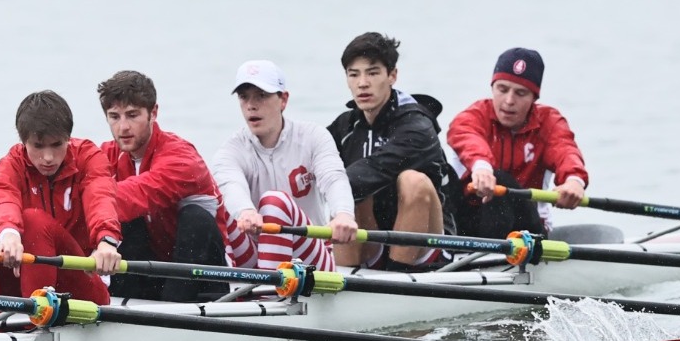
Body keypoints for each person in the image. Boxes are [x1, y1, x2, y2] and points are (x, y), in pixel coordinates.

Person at [0, 91, 122, 305]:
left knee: (35, 221)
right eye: (38, 146)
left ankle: (35, 323)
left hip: (80, 280)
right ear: (23, 142)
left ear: (68, 139)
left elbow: (100, 196)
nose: (48, 157)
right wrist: (9, 234)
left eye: (56, 145)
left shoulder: (88, 157)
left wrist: (106, 241)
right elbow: (1, 194)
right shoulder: (11, 164)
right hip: (23, 281)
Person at [212, 60, 358, 273]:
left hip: (312, 260)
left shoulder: (313, 137)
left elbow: (333, 177)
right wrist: (246, 211)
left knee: (275, 202)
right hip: (256, 257)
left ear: (283, 100)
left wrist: (343, 214)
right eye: (244, 97)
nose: (251, 105)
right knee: (216, 203)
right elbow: (230, 184)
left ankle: (270, 298)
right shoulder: (230, 151)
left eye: (261, 95)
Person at [97, 70, 229, 302]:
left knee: (194, 217)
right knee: (124, 224)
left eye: (132, 115)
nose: (123, 127)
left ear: (153, 113)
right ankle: (122, 301)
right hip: (157, 270)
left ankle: (170, 308)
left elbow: (135, 195)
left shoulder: (182, 158)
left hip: (207, 277)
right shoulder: (107, 154)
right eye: (114, 117)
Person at [327, 32, 455, 271]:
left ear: (392, 75)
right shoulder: (344, 126)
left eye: (373, 73)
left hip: (426, 243)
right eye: (354, 75)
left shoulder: (417, 126)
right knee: (344, 185)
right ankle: (345, 274)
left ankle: (398, 272)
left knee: (410, 180)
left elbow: (374, 170)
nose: (362, 83)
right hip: (373, 238)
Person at [446, 47, 590, 238]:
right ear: (492, 88)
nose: (509, 101)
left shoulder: (549, 122)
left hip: (527, 226)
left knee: (500, 182)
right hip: (469, 221)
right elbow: (466, 137)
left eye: (521, 93)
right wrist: (482, 168)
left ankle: (494, 257)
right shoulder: (473, 116)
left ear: (534, 98)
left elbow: (564, 149)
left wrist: (574, 181)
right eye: (502, 89)